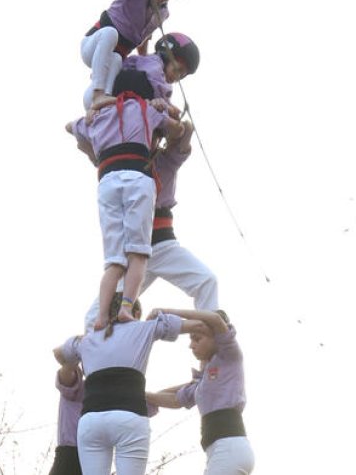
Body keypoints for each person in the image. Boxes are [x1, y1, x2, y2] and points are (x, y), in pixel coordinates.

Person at [75, 116, 219, 332]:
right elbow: (81, 139)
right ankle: (99, 360)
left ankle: (210, 340)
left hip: (163, 245)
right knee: (93, 317)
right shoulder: (121, 161)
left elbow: (185, 131)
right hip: (133, 256)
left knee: (206, 280)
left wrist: (166, 114)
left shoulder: (167, 160)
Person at [67, 81, 185, 330]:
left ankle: (101, 316)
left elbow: (69, 127)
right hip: (136, 177)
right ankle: (125, 308)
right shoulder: (144, 107)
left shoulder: (98, 115)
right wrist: (164, 109)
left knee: (114, 260)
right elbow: (177, 130)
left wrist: (94, 147)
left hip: (107, 179)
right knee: (138, 252)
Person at [54, 294, 202, 475]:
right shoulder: (144, 328)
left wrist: (84, 348)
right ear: (137, 312)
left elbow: (60, 354)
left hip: (91, 422)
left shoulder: (88, 340)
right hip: (129, 416)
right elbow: (198, 325)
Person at [146, 309, 254, 475]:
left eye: (197, 338)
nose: (191, 345)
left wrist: (166, 311)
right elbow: (176, 399)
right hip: (219, 450)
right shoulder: (204, 382)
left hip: (229, 448)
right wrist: (140, 394)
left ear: (216, 337)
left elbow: (216, 320)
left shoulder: (229, 355)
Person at [48, 350, 84, 475]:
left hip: (95, 454)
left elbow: (149, 406)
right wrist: (82, 346)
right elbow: (58, 352)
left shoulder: (109, 395)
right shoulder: (76, 385)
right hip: (70, 454)